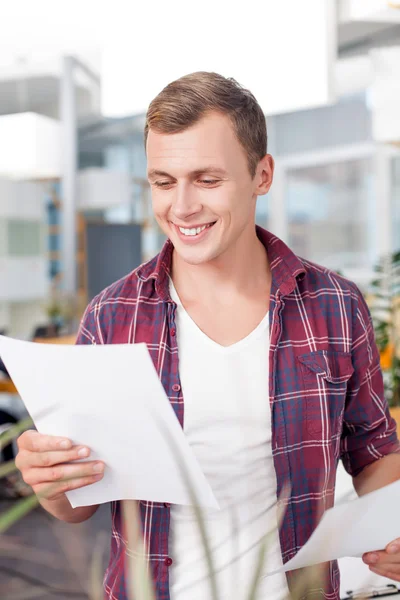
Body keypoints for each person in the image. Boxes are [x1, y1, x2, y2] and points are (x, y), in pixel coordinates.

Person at [15, 72, 400, 600]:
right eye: (163, 181)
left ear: (262, 174)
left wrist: (390, 527)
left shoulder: (334, 304)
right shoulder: (112, 316)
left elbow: (374, 449)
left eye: (207, 179)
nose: (182, 206)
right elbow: (78, 503)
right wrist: (50, 480)